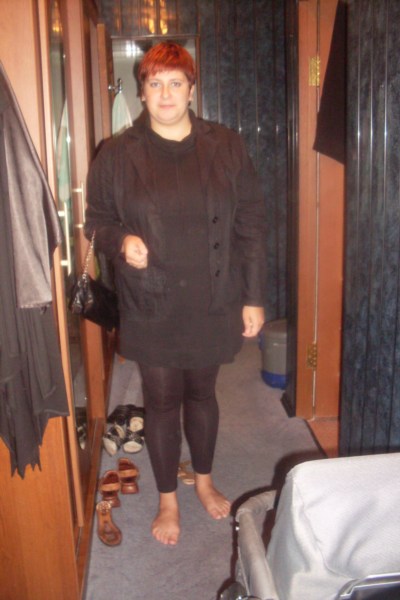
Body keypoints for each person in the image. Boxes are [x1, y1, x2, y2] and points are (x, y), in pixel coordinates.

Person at [85, 41, 267, 546]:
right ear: (142, 92)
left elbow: (251, 223)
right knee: (162, 401)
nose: (165, 93)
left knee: (202, 394)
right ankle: (168, 498)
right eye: (155, 83)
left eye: (175, 82)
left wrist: (254, 296)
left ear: (191, 90)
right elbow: (96, 220)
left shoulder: (226, 145)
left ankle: (203, 480)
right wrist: (121, 241)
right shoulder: (116, 153)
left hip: (213, 296)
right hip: (152, 299)